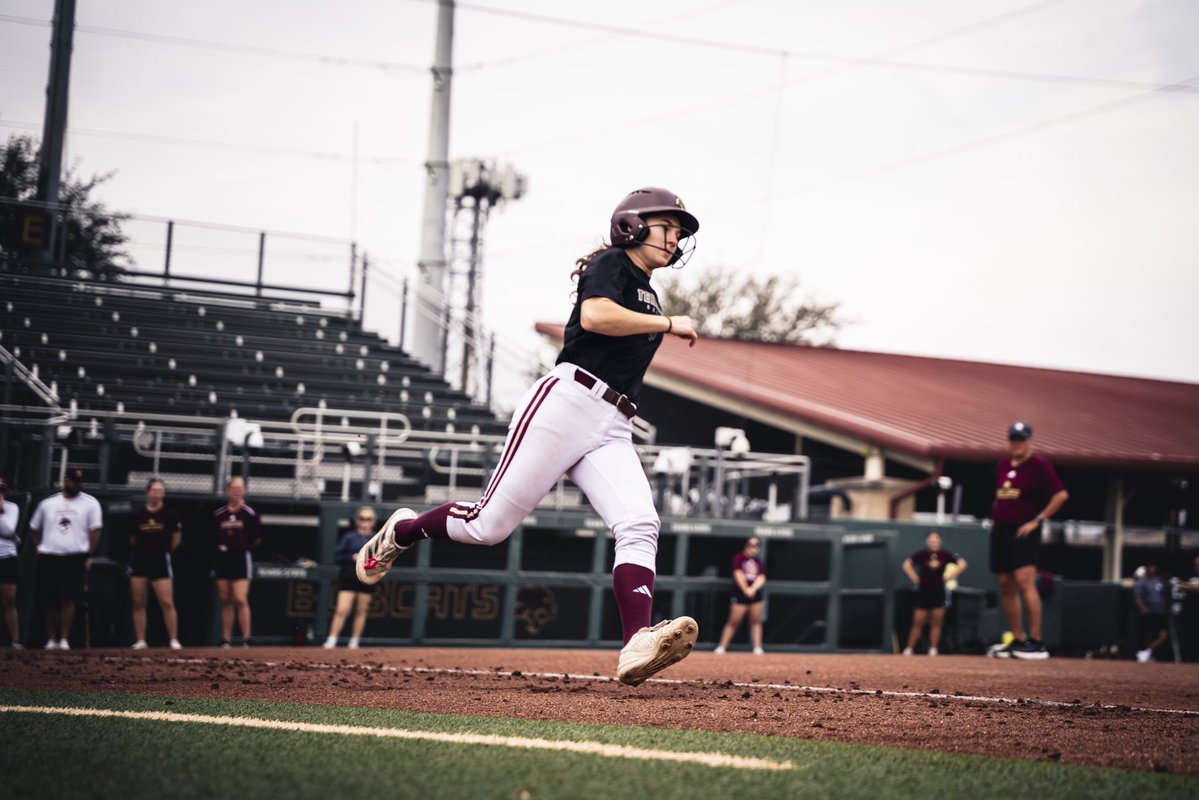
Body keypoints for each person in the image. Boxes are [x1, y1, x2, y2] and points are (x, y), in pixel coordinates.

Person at [355, 187, 702, 686]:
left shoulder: (648, 289)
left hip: (613, 422)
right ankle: (401, 532)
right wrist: (667, 323)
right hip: (568, 402)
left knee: (640, 524)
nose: (676, 237)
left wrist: (660, 317)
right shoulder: (613, 262)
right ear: (633, 224)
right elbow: (593, 317)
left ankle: (635, 643)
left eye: (679, 230)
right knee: (486, 527)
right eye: (669, 226)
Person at [987, 421, 1068, 660]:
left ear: (1030, 441)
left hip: (1023, 531)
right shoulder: (1004, 465)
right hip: (1000, 530)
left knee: (1025, 582)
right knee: (1005, 584)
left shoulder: (1039, 465)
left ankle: (1037, 641)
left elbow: (1061, 495)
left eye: (1021, 439)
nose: (1017, 443)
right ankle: (1017, 639)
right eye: (1013, 439)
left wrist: (1037, 520)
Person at [28, 467, 103, 650]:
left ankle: (64, 639)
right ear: (65, 480)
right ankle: (51, 638)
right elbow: (34, 528)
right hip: (50, 555)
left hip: (74, 555)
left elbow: (95, 530)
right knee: (48, 599)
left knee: (68, 598)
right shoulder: (48, 504)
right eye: (72, 481)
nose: (75, 485)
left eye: (78, 482)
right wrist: (38, 548)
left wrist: (89, 554)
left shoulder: (90, 503)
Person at [129, 478, 183, 650]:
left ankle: (173, 639)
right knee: (138, 601)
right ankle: (141, 640)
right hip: (140, 559)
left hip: (160, 559)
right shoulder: (139, 514)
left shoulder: (170, 514)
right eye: (154, 490)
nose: (157, 494)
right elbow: (132, 538)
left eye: (160, 491)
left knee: (167, 601)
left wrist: (164, 551)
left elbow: (176, 538)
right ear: (148, 492)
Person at [213, 476, 261, 647]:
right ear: (228, 490)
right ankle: (226, 638)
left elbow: (256, 538)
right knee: (225, 599)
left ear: (244, 490)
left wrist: (241, 546)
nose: (236, 492)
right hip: (223, 558)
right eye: (234, 488)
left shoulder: (249, 513)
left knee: (240, 598)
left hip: (240, 557)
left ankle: (247, 638)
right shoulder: (219, 514)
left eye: (240, 488)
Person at [901, 531, 966, 656]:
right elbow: (907, 564)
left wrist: (951, 576)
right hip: (923, 590)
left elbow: (962, 564)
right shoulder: (922, 554)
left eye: (936, 539)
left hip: (939, 590)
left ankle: (933, 649)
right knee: (918, 621)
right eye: (931, 539)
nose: (933, 541)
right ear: (927, 541)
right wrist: (915, 578)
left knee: (937, 621)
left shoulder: (946, 554)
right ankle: (909, 649)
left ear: (940, 541)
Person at [322, 505, 378, 649]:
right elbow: (338, 556)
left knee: (361, 611)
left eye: (369, 519)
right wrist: (352, 557)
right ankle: (332, 639)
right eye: (362, 518)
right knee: (341, 609)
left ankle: (354, 641)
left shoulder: (376, 538)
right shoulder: (349, 537)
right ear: (357, 520)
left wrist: (372, 562)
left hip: (367, 578)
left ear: (373, 521)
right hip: (348, 577)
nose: (365, 521)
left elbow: (383, 558)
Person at [713, 537, 767, 655]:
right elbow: (738, 574)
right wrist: (746, 589)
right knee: (734, 621)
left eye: (756, 545)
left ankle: (758, 647)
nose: (753, 548)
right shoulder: (739, 558)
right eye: (751, 545)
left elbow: (762, 577)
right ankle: (722, 647)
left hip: (755, 595)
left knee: (756, 621)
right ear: (745, 546)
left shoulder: (758, 561)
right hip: (740, 594)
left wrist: (753, 589)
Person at [0, 476, 22, 648]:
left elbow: (8, 529)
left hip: (7, 557)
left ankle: (15, 641)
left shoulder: (12, 508)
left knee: (9, 599)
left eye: (1, 490)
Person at [1134, 563, 1169, 663]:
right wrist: (1143, 609)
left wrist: (1163, 608)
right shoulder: (1142, 582)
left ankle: (1146, 652)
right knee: (1148, 635)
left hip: (1159, 613)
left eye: (1154, 566)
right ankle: (1147, 654)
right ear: (1147, 568)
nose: (1153, 568)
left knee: (1163, 635)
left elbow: (1162, 596)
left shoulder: (1158, 581)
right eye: (1151, 566)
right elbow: (1139, 597)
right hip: (1149, 612)